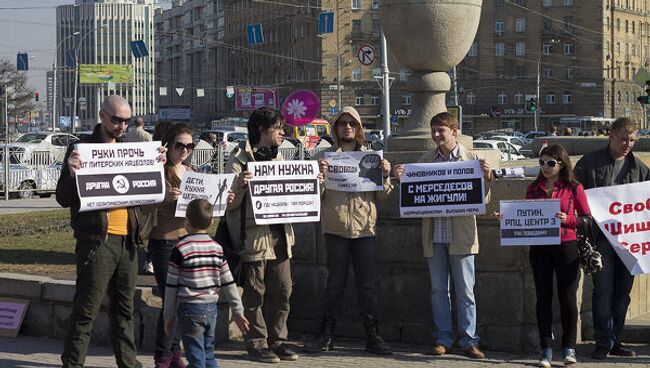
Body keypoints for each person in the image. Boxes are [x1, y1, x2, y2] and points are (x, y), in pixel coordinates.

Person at [56, 95, 166, 368]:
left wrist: (157, 166)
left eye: (127, 121)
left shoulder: (130, 149)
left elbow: (149, 194)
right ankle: (73, 362)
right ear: (102, 116)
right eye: (116, 120)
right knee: (87, 308)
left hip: (128, 241)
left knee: (125, 309)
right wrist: (71, 173)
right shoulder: (81, 149)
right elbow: (63, 197)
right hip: (97, 242)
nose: (122, 126)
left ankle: (128, 362)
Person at [394, 111, 491, 359]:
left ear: (454, 132)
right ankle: (443, 338)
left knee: (466, 291)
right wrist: (402, 177)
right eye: (434, 130)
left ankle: (469, 340)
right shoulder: (425, 160)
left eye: (442, 130)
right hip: (434, 235)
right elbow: (413, 195)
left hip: (462, 236)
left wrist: (486, 179)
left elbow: (483, 202)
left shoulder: (471, 159)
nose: (437, 135)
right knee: (439, 290)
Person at [305, 107, 393, 355]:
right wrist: (319, 176)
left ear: (359, 129)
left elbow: (383, 197)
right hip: (336, 228)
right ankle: (326, 334)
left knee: (367, 285)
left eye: (352, 124)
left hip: (365, 229)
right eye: (343, 123)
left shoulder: (370, 158)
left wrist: (385, 176)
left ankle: (373, 336)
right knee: (334, 283)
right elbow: (314, 196)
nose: (347, 128)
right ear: (336, 128)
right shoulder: (324, 157)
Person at [495, 144, 590, 367]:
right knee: (543, 298)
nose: (545, 167)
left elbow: (587, 219)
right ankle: (545, 348)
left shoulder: (574, 188)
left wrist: (568, 220)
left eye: (550, 163)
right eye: (542, 162)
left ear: (562, 164)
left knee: (567, 298)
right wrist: (507, 218)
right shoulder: (533, 188)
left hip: (566, 247)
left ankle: (569, 348)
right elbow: (526, 217)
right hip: (540, 248)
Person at [225, 107, 303, 363]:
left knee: (283, 290)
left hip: (280, 237)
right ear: (261, 129)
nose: (283, 132)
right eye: (278, 127)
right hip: (253, 238)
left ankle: (277, 340)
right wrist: (240, 184)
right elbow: (228, 204)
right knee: (254, 294)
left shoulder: (280, 160)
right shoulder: (238, 159)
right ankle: (256, 343)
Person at [574, 117, 650, 360]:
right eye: (623, 139)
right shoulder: (590, 162)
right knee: (603, 291)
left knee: (622, 293)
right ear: (611, 136)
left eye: (632, 140)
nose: (628, 144)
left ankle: (616, 340)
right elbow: (574, 193)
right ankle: (603, 342)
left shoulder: (639, 168)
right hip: (601, 240)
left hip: (630, 241)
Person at [163, 198, 250, 368]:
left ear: (186, 220)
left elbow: (171, 286)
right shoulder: (217, 248)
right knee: (208, 354)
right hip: (211, 308)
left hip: (190, 308)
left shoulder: (180, 248)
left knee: (196, 359)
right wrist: (238, 310)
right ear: (211, 222)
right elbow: (228, 282)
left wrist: (168, 316)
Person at [148, 123, 196, 368]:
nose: (185, 150)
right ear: (168, 145)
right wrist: (163, 197)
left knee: (182, 300)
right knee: (171, 300)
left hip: (187, 240)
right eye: (180, 145)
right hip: (164, 241)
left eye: (190, 145)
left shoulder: (192, 171)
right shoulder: (159, 171)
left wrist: (220, 199)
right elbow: (143, 203)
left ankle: (175, 354)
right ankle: (163, 357)